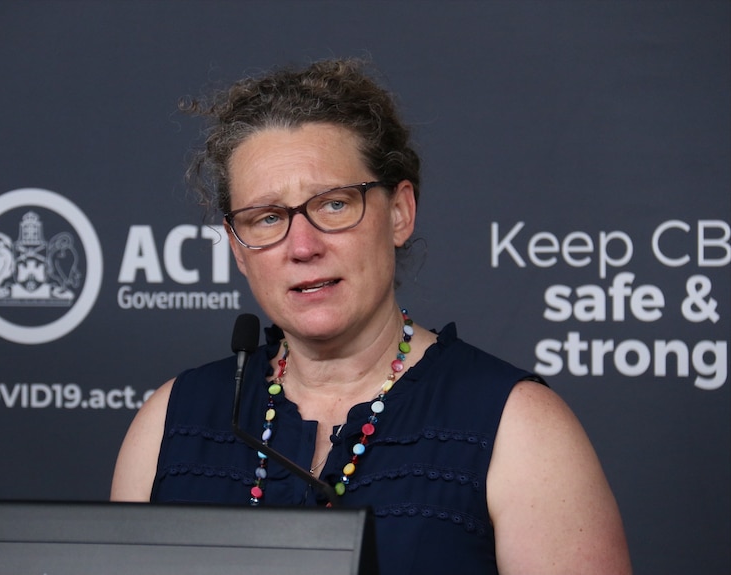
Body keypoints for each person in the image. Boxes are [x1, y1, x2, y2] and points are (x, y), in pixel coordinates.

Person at [111, 58, 632, 575]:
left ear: (400, 213)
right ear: (238, 248)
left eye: (334, 205)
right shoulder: (169, 422)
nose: (303, 245)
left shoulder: (519, 427)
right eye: (267, 218)